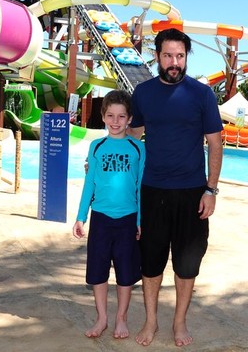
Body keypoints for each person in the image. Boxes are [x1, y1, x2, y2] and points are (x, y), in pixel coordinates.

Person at [128, 28, 224, 347]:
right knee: (151, 262)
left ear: (186, 58)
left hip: (192, 193)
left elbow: (214, 142)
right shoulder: (143, 93)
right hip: (152, 192)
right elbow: (132, 135)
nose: (174, 62)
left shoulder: (202, 94)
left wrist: (211, 190)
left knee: (186, 264)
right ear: (157, 56)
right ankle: (151, 321)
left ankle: (179, 321)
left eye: (180, 56)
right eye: (168, 55)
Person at [72, 89, 146, 340]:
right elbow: (89, 183)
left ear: (130, 119)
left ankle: (121, 318)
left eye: (121, 116)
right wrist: (81, 216)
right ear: (103, 116)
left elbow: (139, 188)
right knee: (98, 271)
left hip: (127, 219)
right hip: (101, 219)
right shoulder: (97, 146)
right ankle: (102, 317)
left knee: (126, 274)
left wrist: (139, 221)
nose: (116, 121)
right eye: (111, 115)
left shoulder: (138, 148)